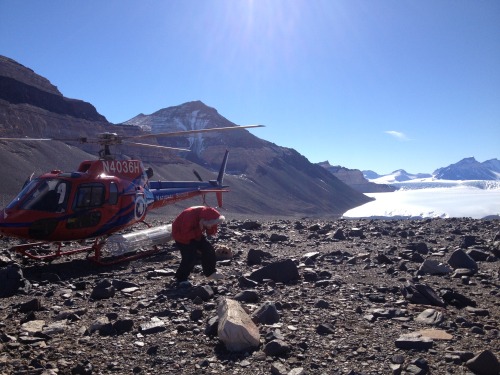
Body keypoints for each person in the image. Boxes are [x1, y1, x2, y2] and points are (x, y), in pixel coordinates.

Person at [171, 206, 225, 286]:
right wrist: (199, 230)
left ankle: (210, 273)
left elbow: (211, 231)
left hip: (197, 234)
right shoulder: (189, 216)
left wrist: (209, 228)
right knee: (190, 257)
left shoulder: (211, 216)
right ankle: (180, 278)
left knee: (208, 250)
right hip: (181, 237)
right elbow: (185, 234)